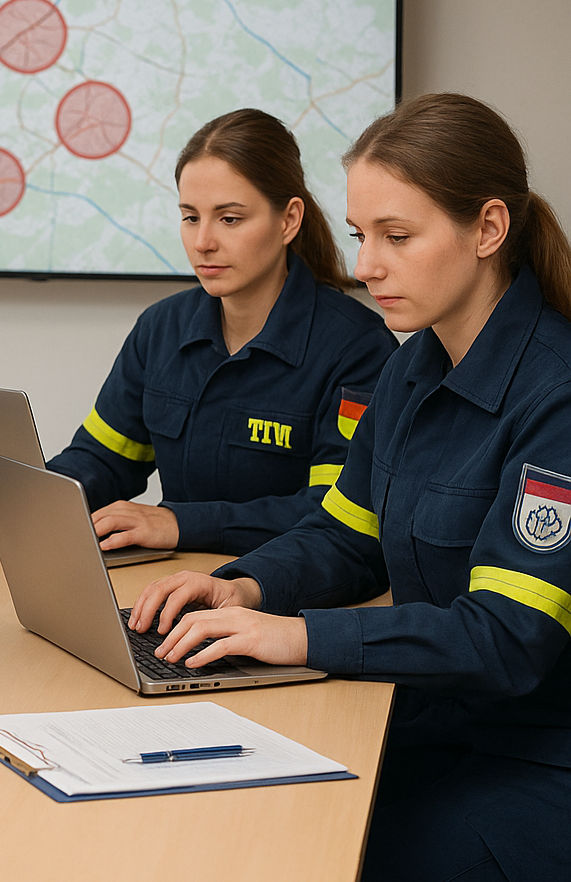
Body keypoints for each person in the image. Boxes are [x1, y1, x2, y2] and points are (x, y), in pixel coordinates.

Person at [133, 93, 571, 880]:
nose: (365, 266)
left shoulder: (557, 396)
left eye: (396, 237)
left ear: (488, 229)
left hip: (539, 763)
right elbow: (346, 533)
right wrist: (244, 587)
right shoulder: (413, 366)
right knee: (219, 816)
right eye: (363, 235)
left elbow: (507, 636)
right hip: (435, 723)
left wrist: (301, 637)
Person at [46, 109, 397, 555]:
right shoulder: (160, 328)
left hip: (281, 589)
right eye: (190, 217)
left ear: (289, 220)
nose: (203, 242)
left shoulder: (359, 348)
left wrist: (181, 523)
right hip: (167, 581)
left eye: (229, 219)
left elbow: (334, 515)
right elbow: (101, 460)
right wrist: (31, 497)